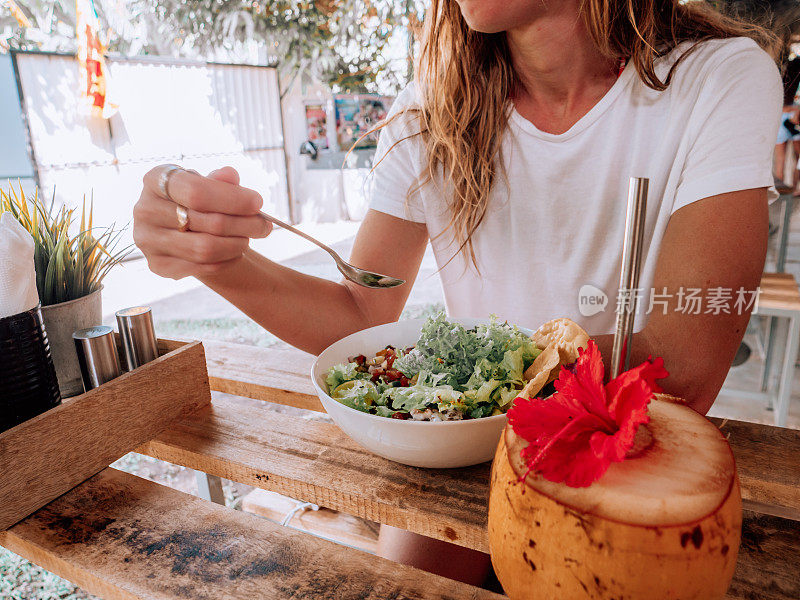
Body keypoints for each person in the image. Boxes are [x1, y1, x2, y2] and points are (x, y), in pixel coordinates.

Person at [133, 0, 782, 586]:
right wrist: (216, 261)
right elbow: (361, 310)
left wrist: (473, 386)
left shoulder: (716, 78)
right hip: (462, 454)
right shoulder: (427, 115)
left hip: (621, 454)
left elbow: (685, 364)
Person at [773, 54, 800, 188]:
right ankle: (795, 188)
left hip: (781, 115)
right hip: (795, 115)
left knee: (780, 159)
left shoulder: (780, 79)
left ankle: (779, 190)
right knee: (798, 158)